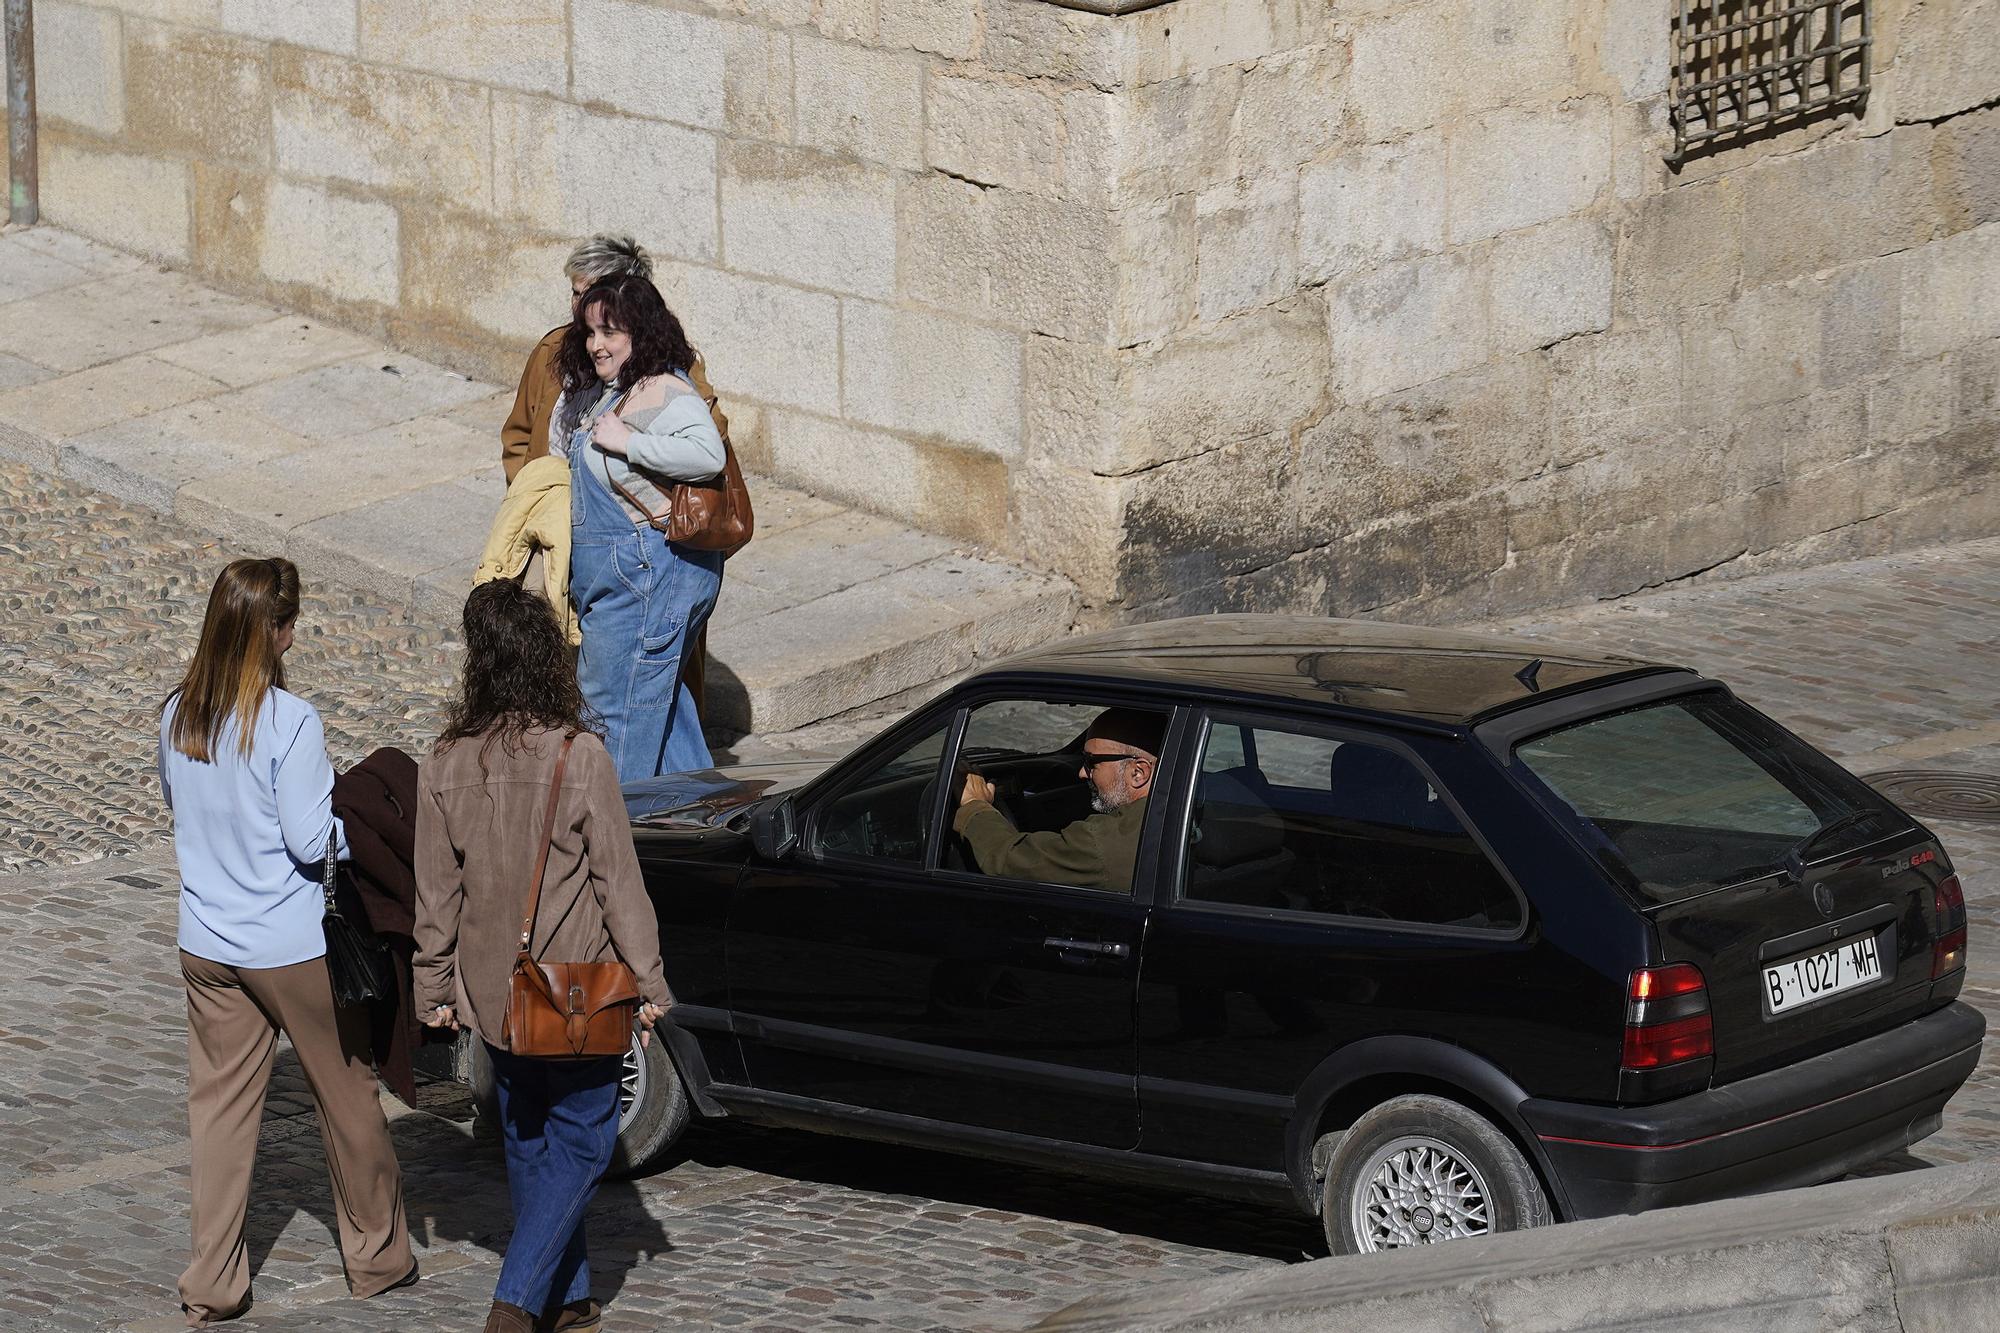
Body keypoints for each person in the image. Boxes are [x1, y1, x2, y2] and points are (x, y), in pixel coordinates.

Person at [158, 557, 414, 1326]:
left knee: (221, 1114)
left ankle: (213, 1281)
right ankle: (377, 1255)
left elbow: (181, 809)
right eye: (290, 623)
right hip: (288, 943)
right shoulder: (289, 722)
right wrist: (358, 818)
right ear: (266, 631)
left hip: (207, 940)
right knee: (349, 1098)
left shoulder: (177, 715)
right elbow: (311, 840)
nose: (296, 638)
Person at [414, 579, 671, 1333]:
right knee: (587, 1138)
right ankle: (518, 1300)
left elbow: (437, 895)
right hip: (578, 992)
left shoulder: (445, 762)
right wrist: (650, 981)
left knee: (530, 1138)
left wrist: (433, 984)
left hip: (496, 997)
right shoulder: (579, 756)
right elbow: (620, 882)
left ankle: (572, 1296)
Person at [499, 233, 725, 712]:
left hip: (638, 552)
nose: (580, 311)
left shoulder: (671, 369)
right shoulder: (553, 352)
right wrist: (536, 506)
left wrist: (634, 439)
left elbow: (707, 448)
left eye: (592, 298)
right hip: (564, 537)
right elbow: (519, 438)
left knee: (643, 698)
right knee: (566, 671)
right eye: (576, 295)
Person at [557, 272, 727, 784]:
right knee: (662, 712)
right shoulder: (615, 391)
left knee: (612, 719)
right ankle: (701, 830)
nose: (596, 345)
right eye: (591, 333)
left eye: (610, 332)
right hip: (619, 587)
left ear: (641, 332)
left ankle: (618, 841)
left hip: (645, 586)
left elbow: (707, 453)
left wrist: (629, 443)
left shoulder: (664, 389)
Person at [954, 708, 1164, 891]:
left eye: (1091, 762)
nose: (1082, 772)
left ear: (1138, 772)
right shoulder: (1180, 807)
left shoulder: (1104, 844)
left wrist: (975, 805)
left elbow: (1008, 860)